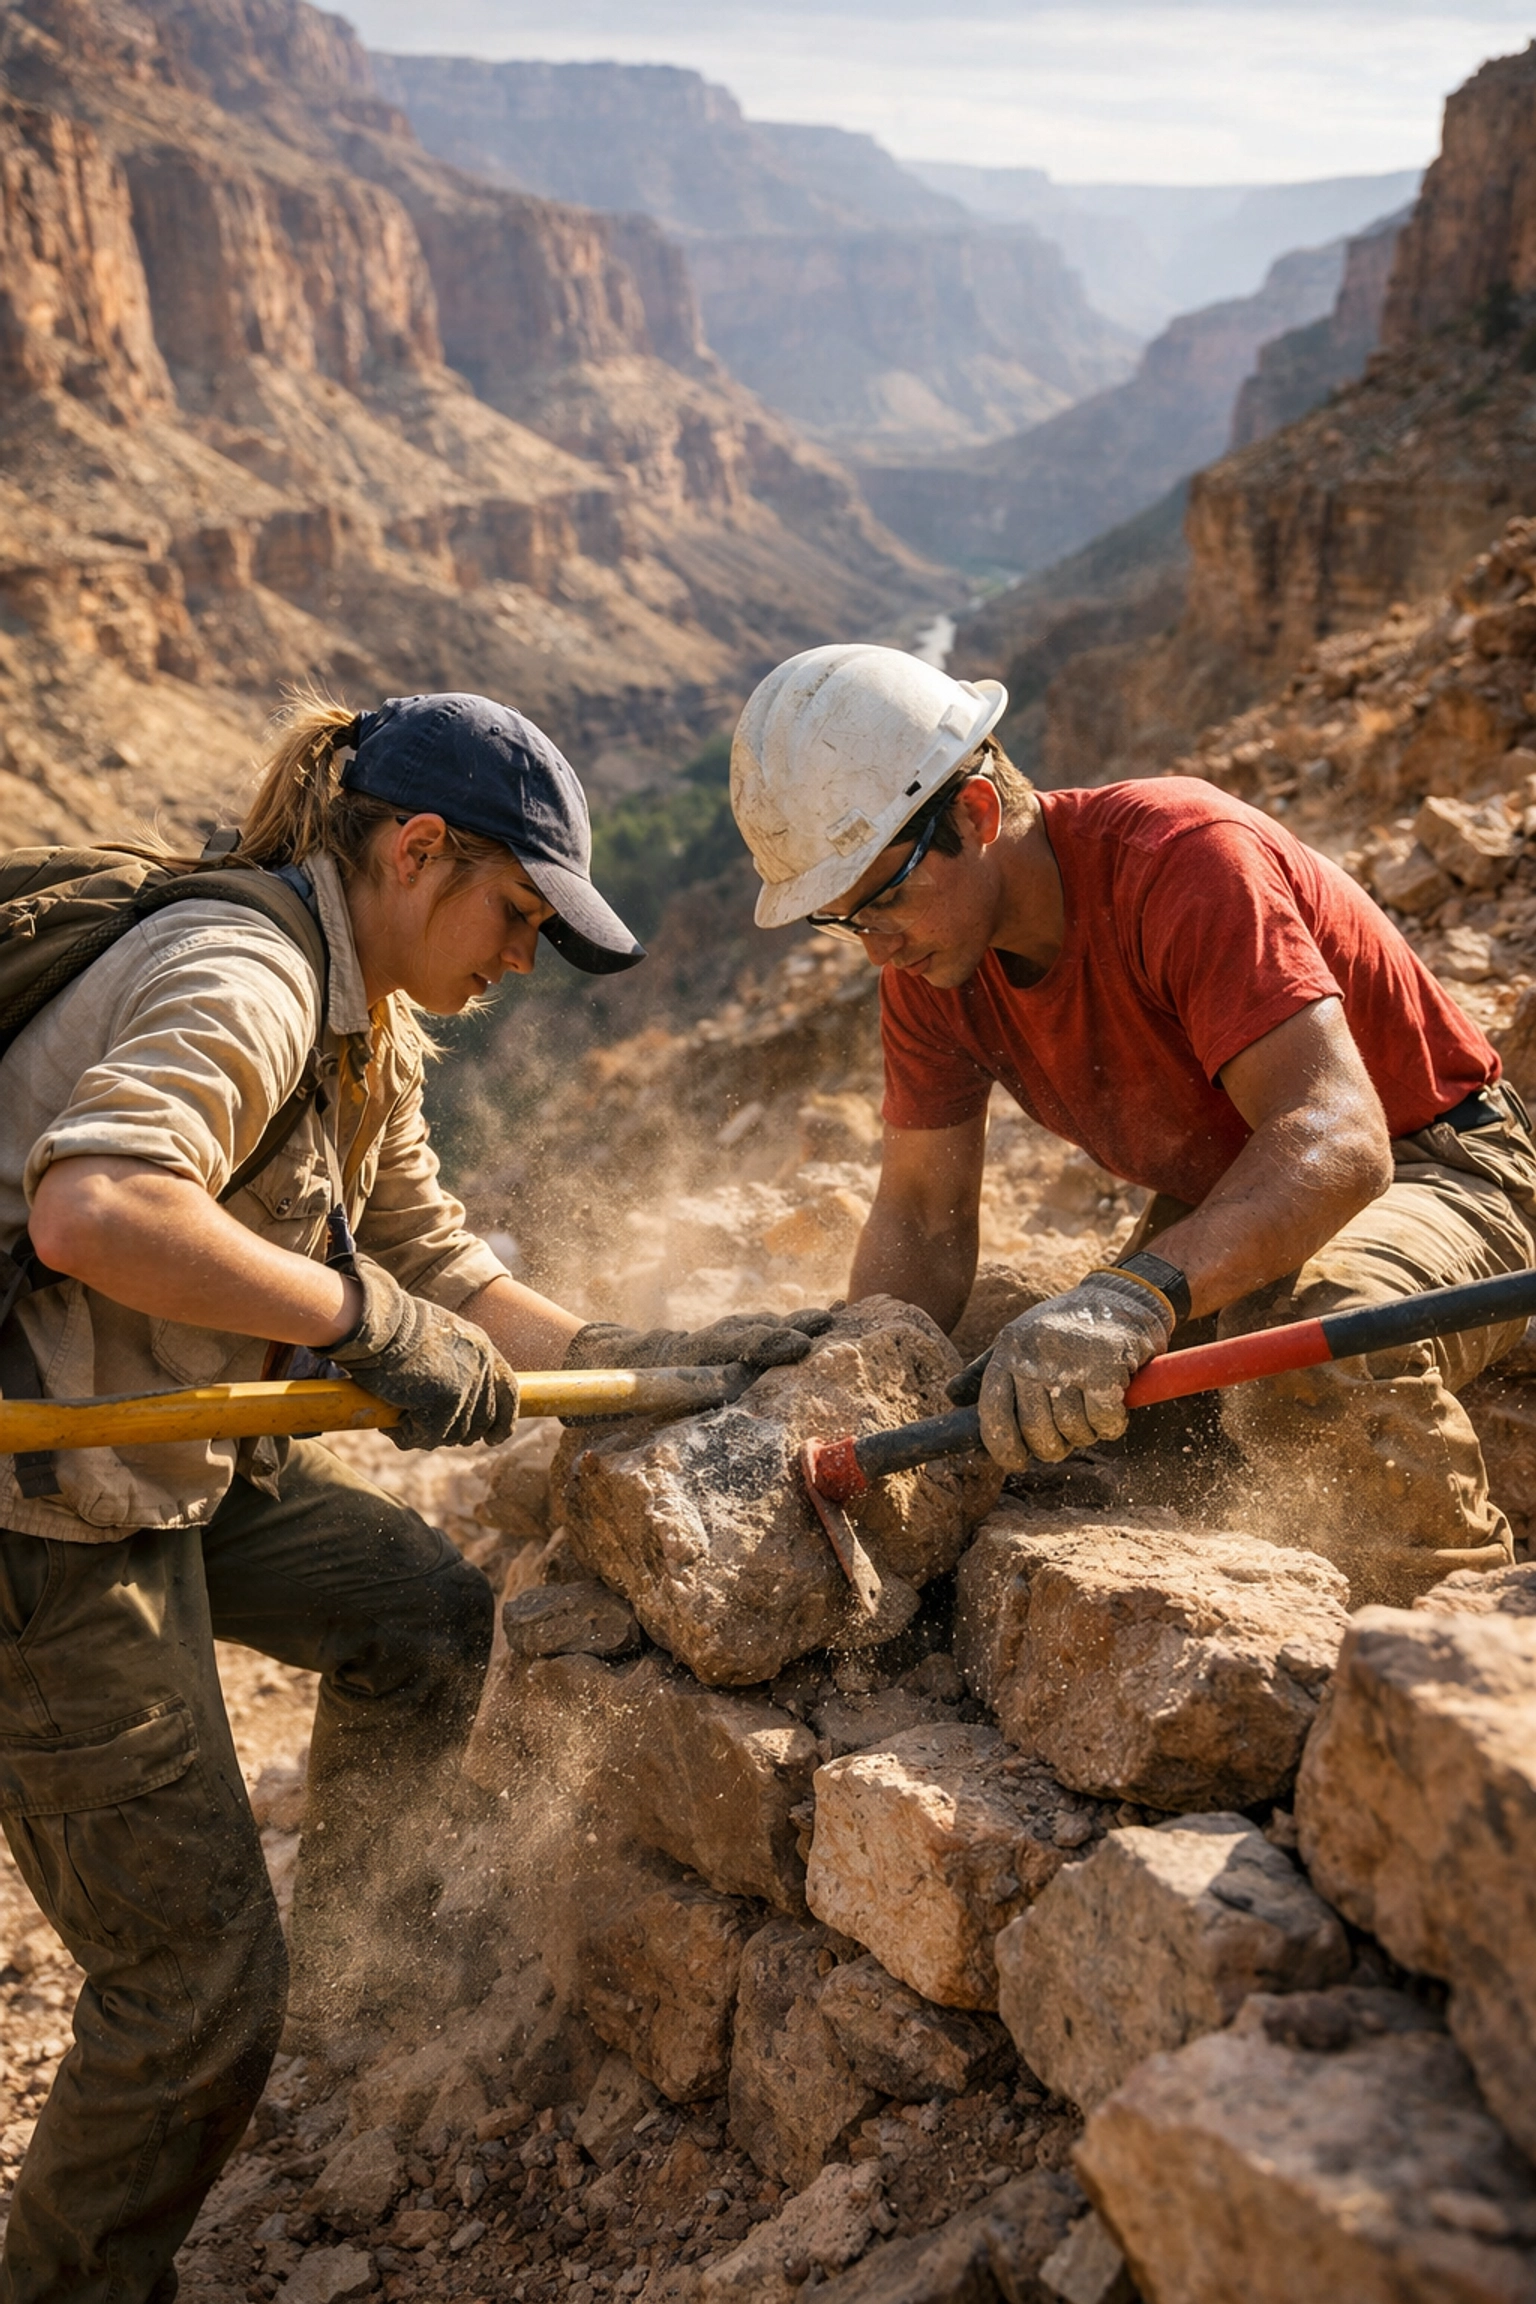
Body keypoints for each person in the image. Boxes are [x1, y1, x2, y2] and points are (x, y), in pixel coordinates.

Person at [0, 690, 824, 2304]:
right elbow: (99, 1207)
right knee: (189, 1989)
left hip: (160, 1445)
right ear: (417, 848)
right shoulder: (243, 974)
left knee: (424, 1616)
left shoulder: (364, 1013)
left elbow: (433, 1258)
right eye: (517, 912)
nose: (524, 956)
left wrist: (643, 1359)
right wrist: (359, 1326)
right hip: (37, 1494)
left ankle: (350, 2002)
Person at [731, 643, 1536, 1602]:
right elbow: (921, 1216)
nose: (876, 947)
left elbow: (1337, 1140)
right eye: (845, 920)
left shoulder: (1182, 860)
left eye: (885, 899)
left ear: (977, 815)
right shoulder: (932, 963)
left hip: (1430, 1164)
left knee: (1310, 1353)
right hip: (1243, 1189)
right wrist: (851, 1367)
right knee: (1054, 1399)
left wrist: (1135, 1294)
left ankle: (1462, 1643)